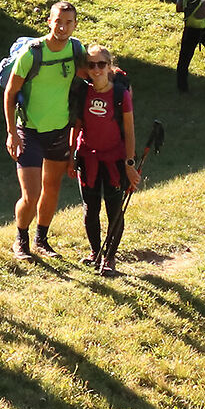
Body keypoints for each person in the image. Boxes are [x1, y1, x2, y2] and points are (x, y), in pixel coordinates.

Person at [2, 0, 83, 260]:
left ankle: (41, 240)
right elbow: (10, 92)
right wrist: (11, 132)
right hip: (29, 131)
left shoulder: (76, 50)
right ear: (49, 22)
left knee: (52, 189)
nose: (63, 27)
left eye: (68, 22)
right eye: (58, 21)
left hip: (59, 130)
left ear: (75, 24)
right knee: (31, 194)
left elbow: (91, 75)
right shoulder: (32, 53)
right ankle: (20, 239)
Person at [70, 44, 138, 276]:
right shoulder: (83, 92)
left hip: (114, 161)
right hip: (87, 158)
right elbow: (77, 126)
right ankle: (95, 252)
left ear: (109, 67)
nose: (97, 69)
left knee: (114, 210)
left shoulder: (120, 95)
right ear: (87, 68)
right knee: (90, 209)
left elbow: (129, 131)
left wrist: (130, 164)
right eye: (92, 65)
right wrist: (71, 157)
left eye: (101, 64)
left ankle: (109, 258)